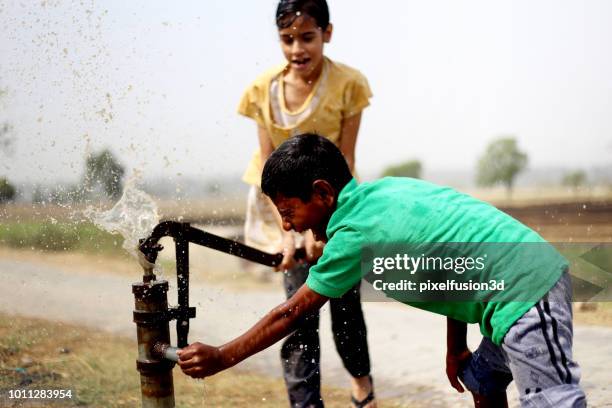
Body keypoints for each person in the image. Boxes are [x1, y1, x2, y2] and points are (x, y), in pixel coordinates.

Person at [178, 134, 587, 408]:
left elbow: (291, 312)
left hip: (526, 297)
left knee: (553, 401)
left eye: (289, 212)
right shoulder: (388, 191)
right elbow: (451, 253)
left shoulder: (353, 236)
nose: (288, 226)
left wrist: (221, 356)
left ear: (323, 192)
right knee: (480, 376)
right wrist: (455, 347)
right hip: (522, 285)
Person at [236, 0, 375, 407]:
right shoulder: (263, 90)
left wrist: (328, 232)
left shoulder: (349, 84)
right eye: (287, 39)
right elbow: (267, 171)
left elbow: (346, 162)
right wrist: (288, 237)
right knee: (298, 312)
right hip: (282, 209)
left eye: (308, 37)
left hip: (334, 204)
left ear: (327, 34)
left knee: (345, 305)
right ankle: (304, 403)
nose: (298, 48)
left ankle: (363, 388)